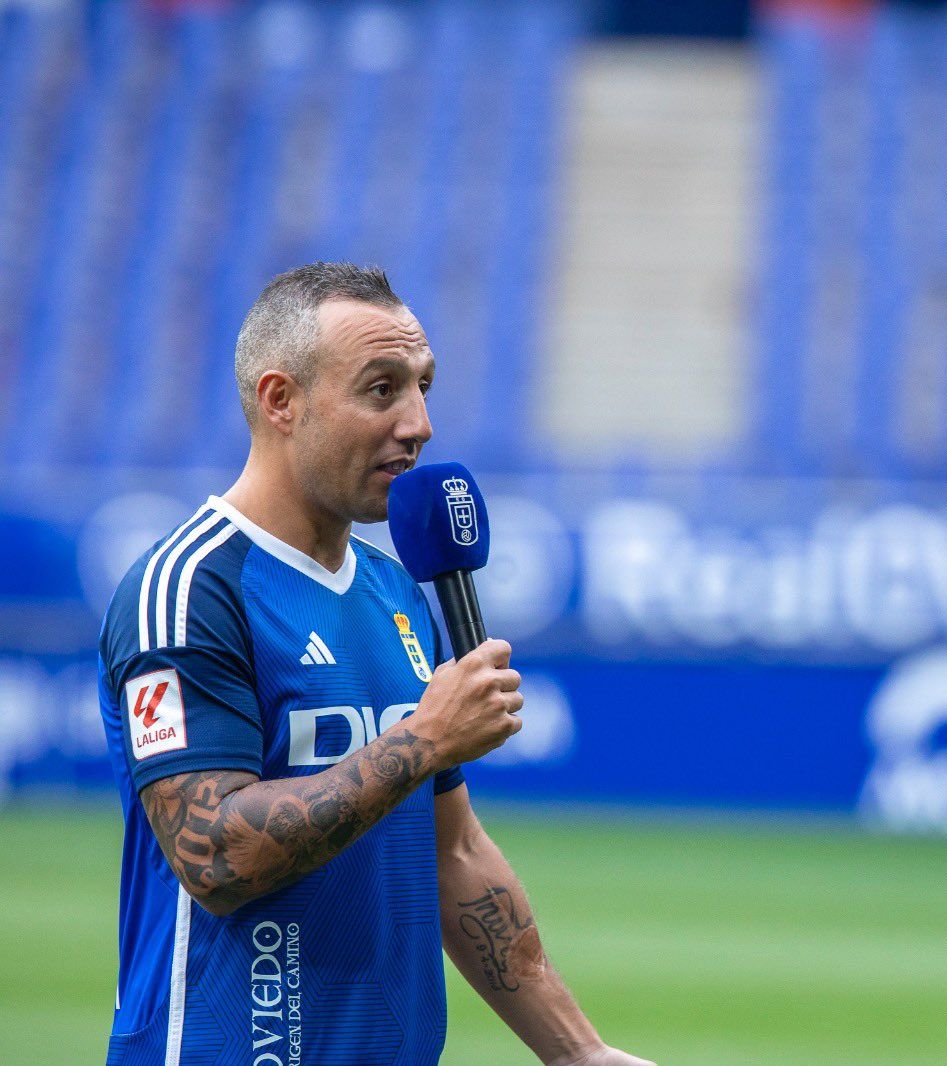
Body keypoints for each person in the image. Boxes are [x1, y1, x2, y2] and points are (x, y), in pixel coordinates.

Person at [97, 263, 653, 1066]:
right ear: (280, 400)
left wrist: (577, 1051)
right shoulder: (188, 587)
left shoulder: (396, 584)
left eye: (424, 386)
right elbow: (212, 852)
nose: (420, 423)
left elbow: (450, 851)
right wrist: (423, 741)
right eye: (382, 389)